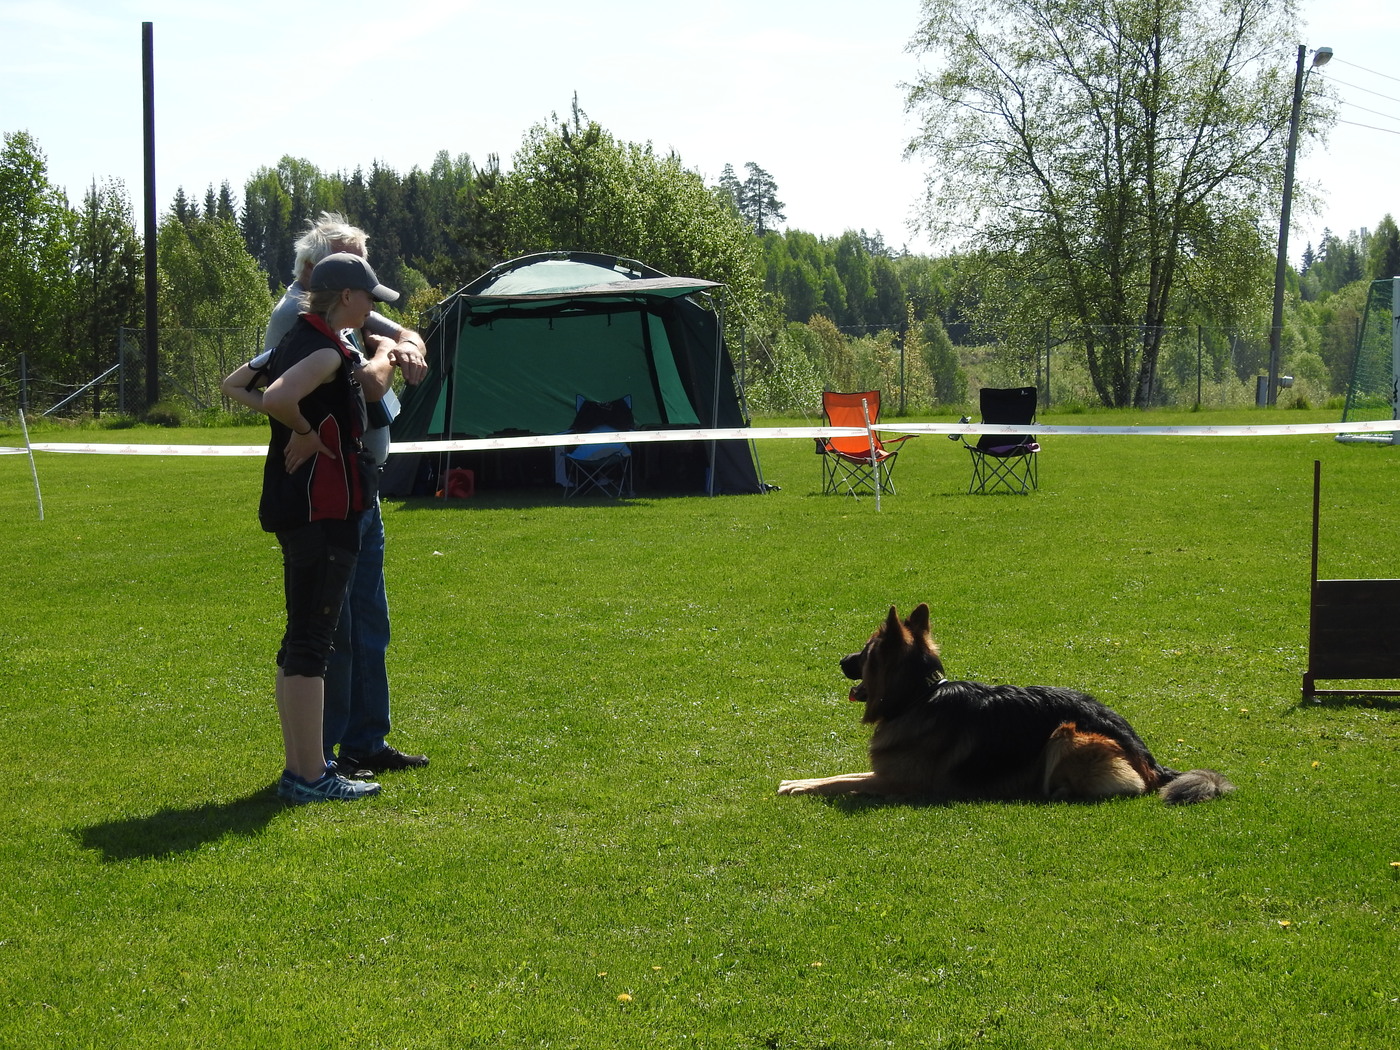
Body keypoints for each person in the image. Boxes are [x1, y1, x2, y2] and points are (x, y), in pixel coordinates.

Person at [221, 253, 400, 803]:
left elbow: (236, 384)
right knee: (311, 645)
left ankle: (302, 769)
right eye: (368, 297)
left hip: (298, 507)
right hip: (324, 508)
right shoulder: (325, 350)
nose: (371, 309)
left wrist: (300, 423)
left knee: (300, 642)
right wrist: (304, 430)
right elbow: (277, 397)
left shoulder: (295, 341)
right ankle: (308, 775)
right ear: (345, 296)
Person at [260, 213, 429, 777]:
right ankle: (324, 756)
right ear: (323, 275)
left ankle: (364, 742)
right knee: (332, 630)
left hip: (359, 487)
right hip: (327, 495)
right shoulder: (301, 319)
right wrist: (386, 356)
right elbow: (367, 383)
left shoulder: (343, 310)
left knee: (366, 621)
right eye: (355, 265)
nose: (367, 280)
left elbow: (405, 333)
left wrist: (405, 344)